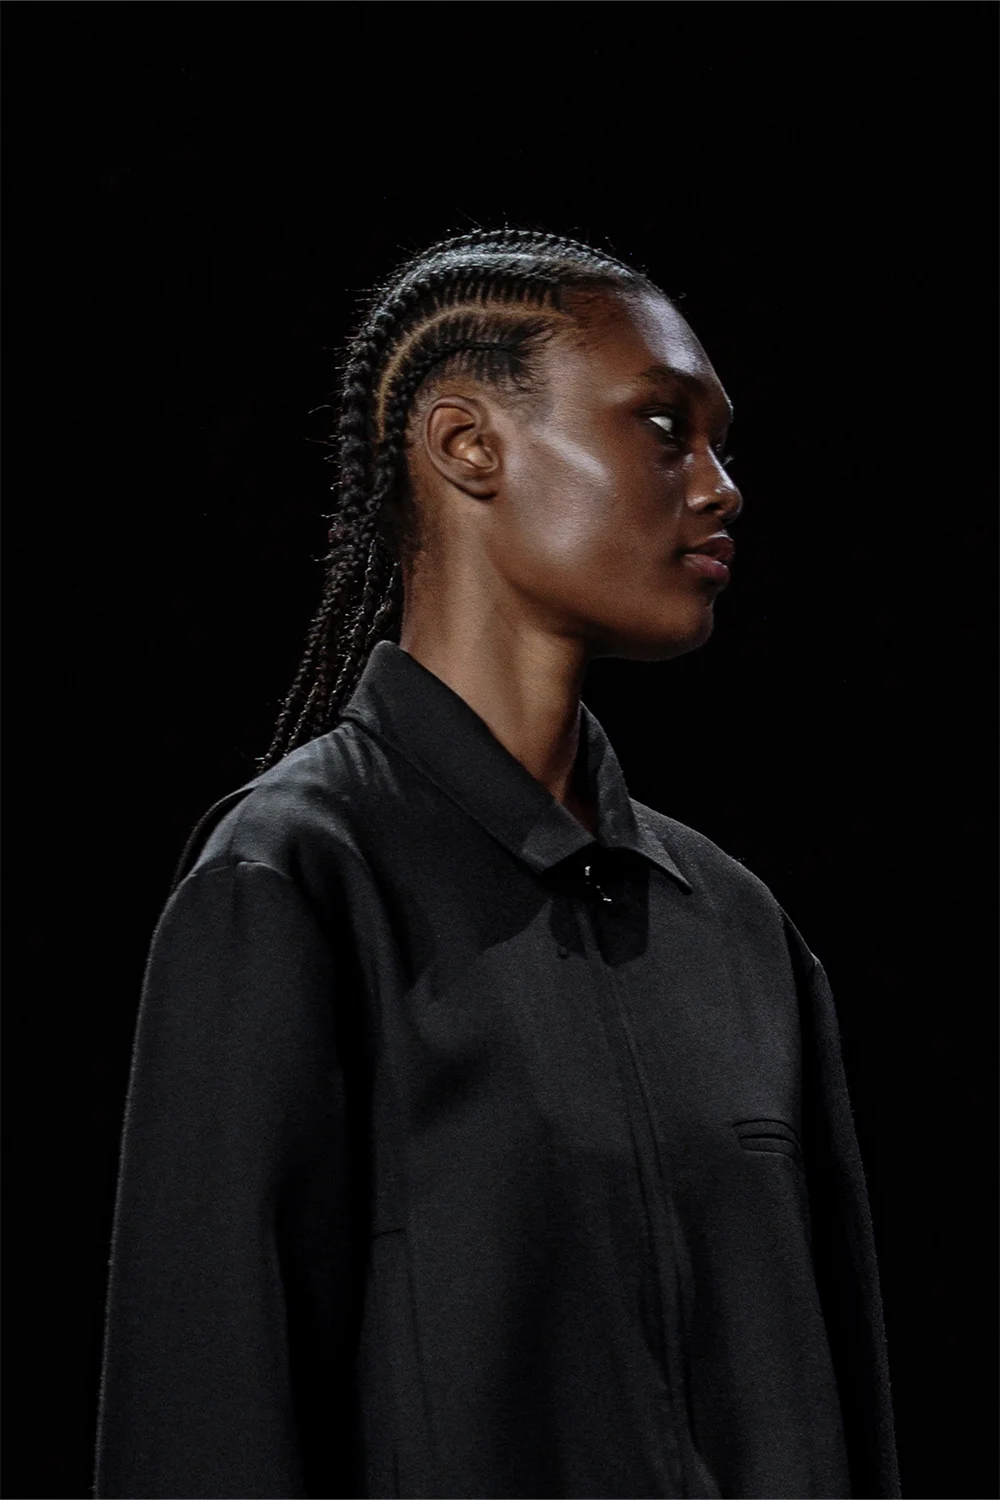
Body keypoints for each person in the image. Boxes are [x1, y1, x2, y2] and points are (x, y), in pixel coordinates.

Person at [93, 226, 901, 1499]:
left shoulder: (741, 937)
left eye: (719, 441)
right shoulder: (296, 885)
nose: (720, 484)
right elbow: (202, 1423)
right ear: (468, 445)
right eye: (660, 425)